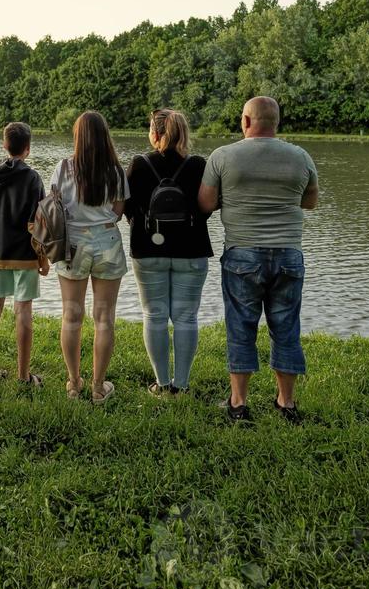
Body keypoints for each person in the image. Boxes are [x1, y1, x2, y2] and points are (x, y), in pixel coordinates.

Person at [198, 96, 320, 425]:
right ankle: (287, 403)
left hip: (242, 255)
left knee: (241, 328)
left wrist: (235, 196)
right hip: (288, 255)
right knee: (286, 330)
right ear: (276, 123)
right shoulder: (301, 156)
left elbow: (205, 204)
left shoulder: (223, 156)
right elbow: (309, 201)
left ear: (246, 122)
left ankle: (238, 404)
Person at [124, 109, 213, 395]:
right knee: (186, 317)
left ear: (155, 133)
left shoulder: (138, 165)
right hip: (192, 249)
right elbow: (207, 207)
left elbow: (126, 209)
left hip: (149, 250)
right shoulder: (200, 165)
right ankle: (182, 385)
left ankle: (162, 385)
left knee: (154, 315)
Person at [52, 110, 130, 403]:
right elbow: (118, 212)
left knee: (71, 315)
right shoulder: (116, 170)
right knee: (104, 318)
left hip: (72, 244)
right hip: (107, 241)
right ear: (104, 135)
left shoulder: (63, 168)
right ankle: (99, 386)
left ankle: (74, 383)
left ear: (78, 136)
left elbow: (53, 207)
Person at [0, 121, 45, 385]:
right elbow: (38, 224)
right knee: (23, 310)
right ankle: (23, 375)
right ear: (27, 148)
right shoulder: (33, 178)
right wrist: (43, 258)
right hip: (25, 254)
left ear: (5, 145)